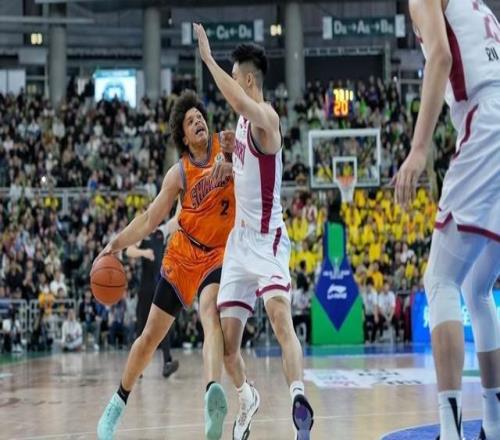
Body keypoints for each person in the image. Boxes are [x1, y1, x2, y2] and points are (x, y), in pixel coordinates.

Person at [194, 25, 314, 440]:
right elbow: (244, 169)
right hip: (239, 243)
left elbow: (239, 101)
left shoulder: (267, 119)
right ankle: (247, 397)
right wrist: (227, 158)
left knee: (280, 317)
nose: (230, 84)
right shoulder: (243, 126)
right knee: (228, 347)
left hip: (267, 240)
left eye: (233, 75)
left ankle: (299, 400)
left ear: (247, 79)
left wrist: (208, 59)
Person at [96, 91, 235, 440]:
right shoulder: (179, 174)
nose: (198, 121)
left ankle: (212, 397)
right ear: (183, 137)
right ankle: (116, 405)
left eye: (200, 116)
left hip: (218, 254)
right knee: (148, 339)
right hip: (183, 255)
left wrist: (233, 160)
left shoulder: (227, 146)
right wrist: (115, 243)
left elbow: (257, 165)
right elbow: (148, 219)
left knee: (210, 315)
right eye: (190, 121)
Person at [395, 1, 500, 439]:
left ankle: (450, 429)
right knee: (478, 289)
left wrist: (419, 148)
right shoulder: (478, 5)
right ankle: (494, 424)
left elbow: (440, 56)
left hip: (487, 122)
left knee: (440, 281)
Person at [125, 225, 179, 378]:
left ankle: (167, 362)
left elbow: (176, 221)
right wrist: (144, 253)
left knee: (163, 325)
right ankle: (136, 367)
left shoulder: (161, 232)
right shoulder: (143, 233)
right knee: (142, 328)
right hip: (146, 289)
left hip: (160, 286)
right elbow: (129, 250)